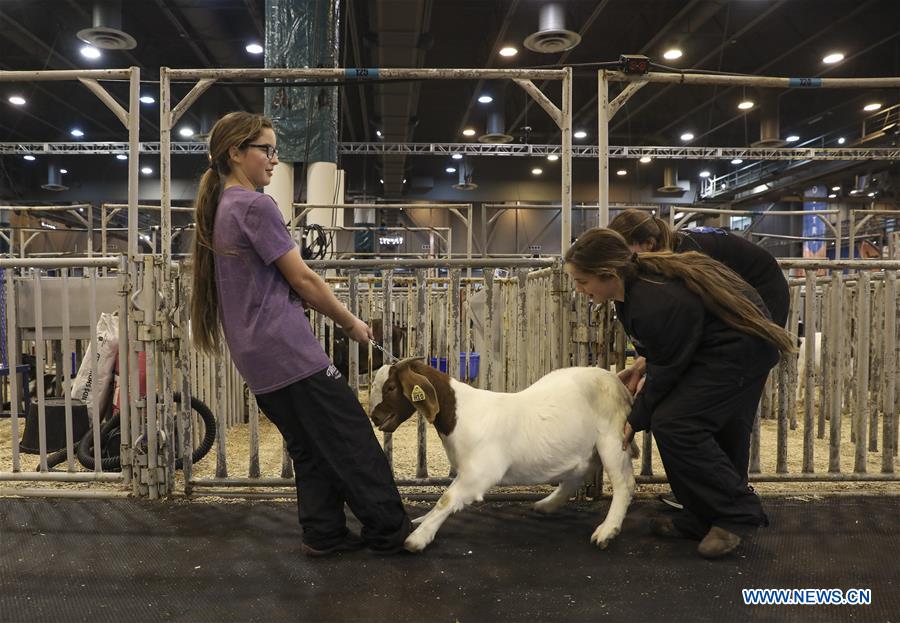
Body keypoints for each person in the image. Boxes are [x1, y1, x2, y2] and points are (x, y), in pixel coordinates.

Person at [190, 111, 412, 557]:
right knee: (351, 436)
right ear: (236, 152)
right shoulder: (254, 205)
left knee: (309, 447)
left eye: (276, 151)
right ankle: (390, 531)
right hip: (288, 349)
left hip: (256, 356)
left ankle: (324, 534)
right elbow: (304, 279)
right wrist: (350, 323)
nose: (274, 160)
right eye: (266, 150)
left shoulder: (222, 208)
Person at [564, 228, 795, 559]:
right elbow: (667, 350)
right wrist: (644, 369)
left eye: (583, 281)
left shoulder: (651, 300)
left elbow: (669, 368)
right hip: (717, 349)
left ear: (609, 274)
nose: (579, 289)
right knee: (688, 423)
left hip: (739, 352)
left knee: (677, 423)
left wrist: (636, 416)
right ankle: (702, 515)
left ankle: (737, 513)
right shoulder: (630, 292)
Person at [609, 209, 790, 510]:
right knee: (689, 407)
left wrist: (651, 380)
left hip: (757, 307)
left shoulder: (684, 256)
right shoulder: (659, 265)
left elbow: (693, 329)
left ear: (649, 244)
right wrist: (647, 362)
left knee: (730, 406)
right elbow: (679, 335)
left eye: (625, 251)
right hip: (731, 312)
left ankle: (729, 496)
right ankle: (705, 496)